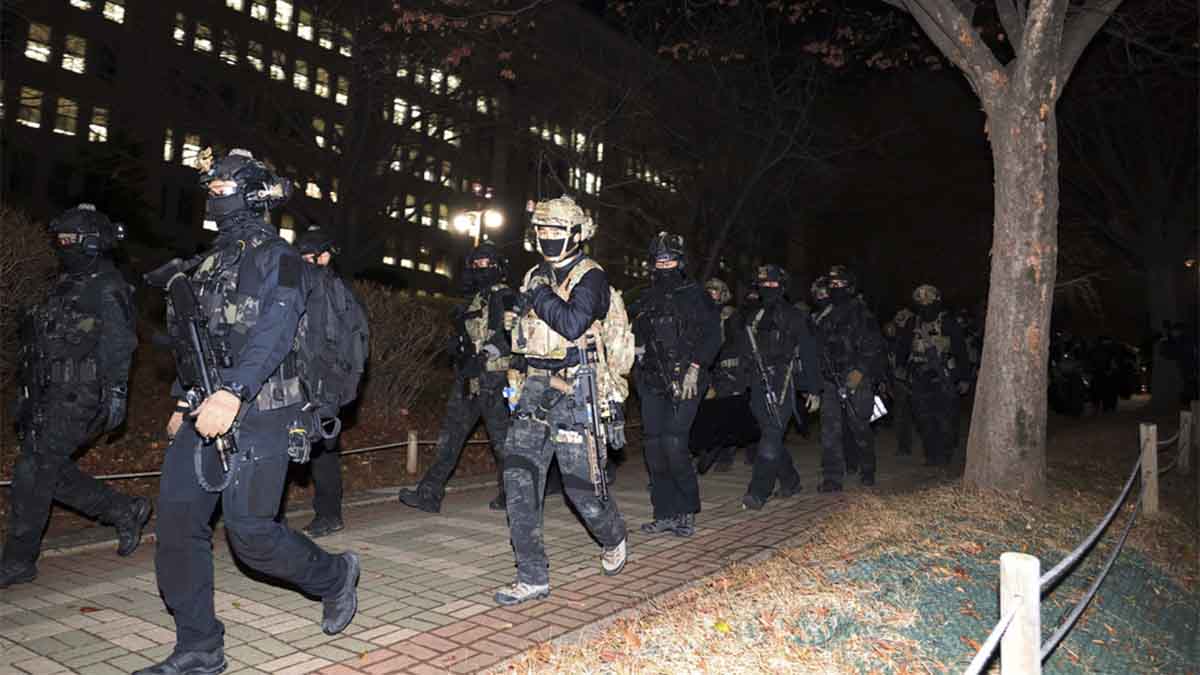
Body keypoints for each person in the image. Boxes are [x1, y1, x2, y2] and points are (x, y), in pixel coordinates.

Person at [139, 149, 358, 675]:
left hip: (262, 408)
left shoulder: (277, 257)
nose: (211, 198)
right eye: (209, 190)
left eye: (220, 189)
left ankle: (334, 576)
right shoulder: (212, 259)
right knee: (176, 524)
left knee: (251, 535)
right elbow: (202, 339)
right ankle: (199, 645)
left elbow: (275, 331)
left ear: (252, 194)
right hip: (206, 406)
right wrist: (182, 397)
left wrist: (233, 392)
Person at [0, 204, 150, 589]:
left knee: (33, 470)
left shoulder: (108, 284)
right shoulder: (66, 281)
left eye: (70, 239)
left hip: (79, 395)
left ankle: (18, 561)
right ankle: (123, 509)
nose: (62, 245)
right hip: (48, 391)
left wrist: (115, 395)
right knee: (48, 470)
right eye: (60, 239)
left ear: (91, 242)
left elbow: (121, 344)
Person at [496, 195, 630, 605]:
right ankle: (532, 576)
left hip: (576, 388)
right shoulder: (535, 274)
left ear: (576, 234)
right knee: (518, 478)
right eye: (541, 231)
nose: (547, 238)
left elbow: (573, 324)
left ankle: (613, 535)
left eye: (555, 231)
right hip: (535, 387)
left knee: (581, 490)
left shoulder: (592, 277)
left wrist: (537, 297)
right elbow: (525, 336)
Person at [398, 242, 517, 513]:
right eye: (476, 264)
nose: (479, 269)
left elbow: (509, 335)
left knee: (502, 441)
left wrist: (484, 355)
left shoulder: (503, 295)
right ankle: (429, 494)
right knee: (450, 437)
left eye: (485, 263)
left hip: (494, 378)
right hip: (469, 377)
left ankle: (515, 496)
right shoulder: (477, 298)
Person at [630, 233, 720, 537]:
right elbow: (632, 337)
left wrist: (696, 367)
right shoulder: (644, 297)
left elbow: (713, 337)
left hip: (686, 378)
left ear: (680, 261)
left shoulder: (696, 294)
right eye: (659, 259)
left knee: (673, 443)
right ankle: (664, 512)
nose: (664, 263)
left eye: (669, 258)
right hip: (652, 381)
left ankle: (686, 510)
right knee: (654, 447)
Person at [294, 227, 370, 537]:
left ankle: (328, 515)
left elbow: (352, 345)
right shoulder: (305, 285)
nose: (302, 262)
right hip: (299, 381)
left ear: (324, 257)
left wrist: (334, 389)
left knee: (323, 451)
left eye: (308, 257)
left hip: (323, 385)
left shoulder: (336, 292)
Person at [735, 265, 820, 510]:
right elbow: (741, 350)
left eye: (773, 284)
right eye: (764, 284)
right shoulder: (752, 315)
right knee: (770, 435)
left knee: (771, 436)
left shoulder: (794, 316)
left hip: (783, 383)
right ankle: (790, 480)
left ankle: (758, 492)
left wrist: (813, 388)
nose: (768, 288)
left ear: (782, 287)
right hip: (757, 385)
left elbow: (808, 351)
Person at [810, 265, 886, 491]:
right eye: (832, 285)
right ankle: (832, 477)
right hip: (830, 378)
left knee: (859, 425)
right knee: (830, 430)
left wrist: (858, 372)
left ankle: (867, 468)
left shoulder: (861, 312)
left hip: (855, 377)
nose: (835, 288)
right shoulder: (824, 314)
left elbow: (873, 346)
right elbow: (814, 346)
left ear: (850, 287)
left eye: (840, 284)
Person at [896, 285, 970, 466]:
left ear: (936, 301)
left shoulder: (948, 322)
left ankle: (945, 455)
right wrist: (900, 368)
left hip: (943, 376)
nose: (925, 304)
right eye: (921, 301)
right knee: (923, 419)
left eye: (929, 300)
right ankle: (931, 455)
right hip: (919, 377)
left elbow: (961, 350)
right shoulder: (912, 323)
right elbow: (903, 347)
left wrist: (964, 377)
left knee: (945, 418)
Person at [694, 278, 754, 474]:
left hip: (732, 372)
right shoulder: (700, 314)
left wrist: (741, 373)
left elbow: (742, 345)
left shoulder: (732, 317)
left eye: (716, 290)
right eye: (709, 289)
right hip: (710, 372)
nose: (712, 293)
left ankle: (725, 456)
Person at [886, 307, 917, 456]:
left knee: (909, 414)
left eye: (903, 317)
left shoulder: (911, 336)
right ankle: (903, 446)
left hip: (910, 380)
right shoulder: (893, 341)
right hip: (898, 381)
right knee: (900, 415)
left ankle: (907, 446)